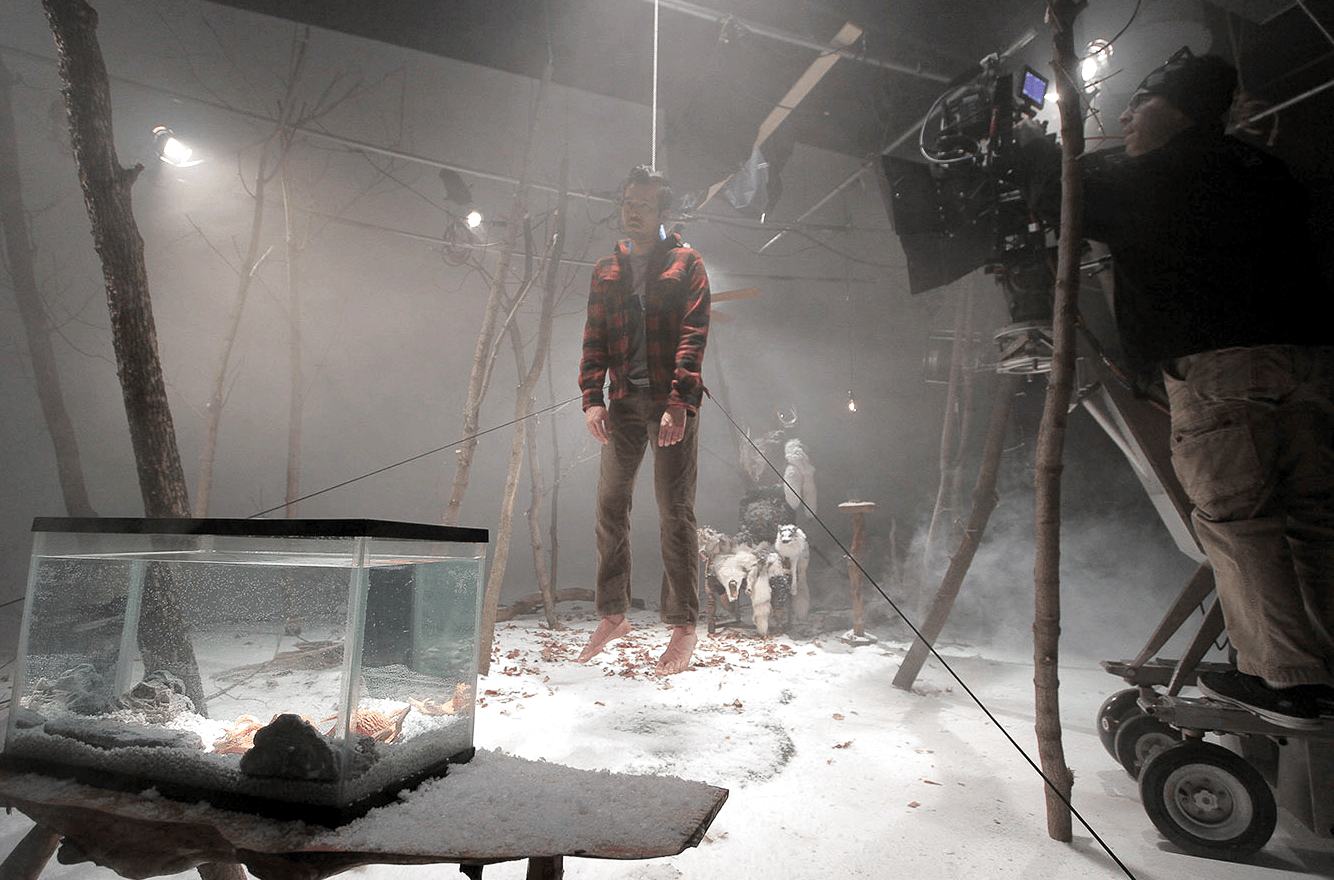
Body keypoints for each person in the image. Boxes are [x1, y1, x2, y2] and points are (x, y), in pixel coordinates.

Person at [1027, 49, 1334, 728]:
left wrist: (1045, 149)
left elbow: (1060, 198)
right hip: (1311, 366)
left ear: (1183, 113)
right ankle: (1323, 668)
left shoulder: (1157, 175)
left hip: (1222, 370)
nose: (1127, 118)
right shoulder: (1263, 169)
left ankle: (1287, 680)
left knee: (1240, 522)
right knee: (1315, 520)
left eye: (1142, 104)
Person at [576, 165, 710, 675]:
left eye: (644, 204)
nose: (633, 211)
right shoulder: (606, 268)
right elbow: (593, 336)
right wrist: (592, 398)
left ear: (663, 212)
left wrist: (679, 401)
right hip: (624, 402)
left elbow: (694, 333)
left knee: (674, 510)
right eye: (628, 202)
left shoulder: (685, 263)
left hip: (669, 402)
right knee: (610, 504)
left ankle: (683, 626)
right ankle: (614, 614)